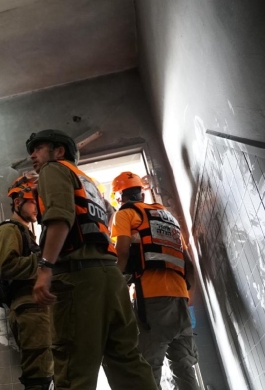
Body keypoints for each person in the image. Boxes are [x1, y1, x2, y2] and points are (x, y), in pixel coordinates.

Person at [27, 129, 157, 389]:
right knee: (128, 363)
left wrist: (45, 267)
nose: (32, 156)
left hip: (80, 280)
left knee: (74, 370)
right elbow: (104, 220)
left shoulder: (53, 169)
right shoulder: (89, 184)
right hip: (111, 278)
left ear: (59, 151)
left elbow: (61, 215)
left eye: (38, 148)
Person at [110, 172, 199, 390]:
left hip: (152, 301)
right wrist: (186, 298)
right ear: (141, 194)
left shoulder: (125, 214)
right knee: (184, 366)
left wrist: (112, 288)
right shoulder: (167, 217)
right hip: (181, 299)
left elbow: (122, 253)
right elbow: (189, 265)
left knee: (148, 369)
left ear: (119, 197)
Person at [0, 175, 53, 390]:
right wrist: (46, 260)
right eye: (34, 202)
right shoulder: (9, 229)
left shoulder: (26, 232)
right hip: (28, 308)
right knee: (39, 373)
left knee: (47, 370)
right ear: (18, 202)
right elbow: (7, 267)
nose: (38, 208)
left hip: (36, 307)